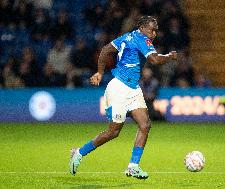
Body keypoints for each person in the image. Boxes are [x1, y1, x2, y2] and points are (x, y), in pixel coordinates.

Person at [69, 16, 177, 179]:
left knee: (145, 124)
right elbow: (154, 60)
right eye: (151, 30)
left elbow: (106, 49)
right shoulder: (142, 39)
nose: (154, 33)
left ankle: (133, 166)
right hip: (119, 88)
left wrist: (100, 72)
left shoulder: (128, 36)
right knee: (113, 132)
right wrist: (170, 56)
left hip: (133, 88)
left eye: (156, 30)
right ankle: (79, 152)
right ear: (141, 28)